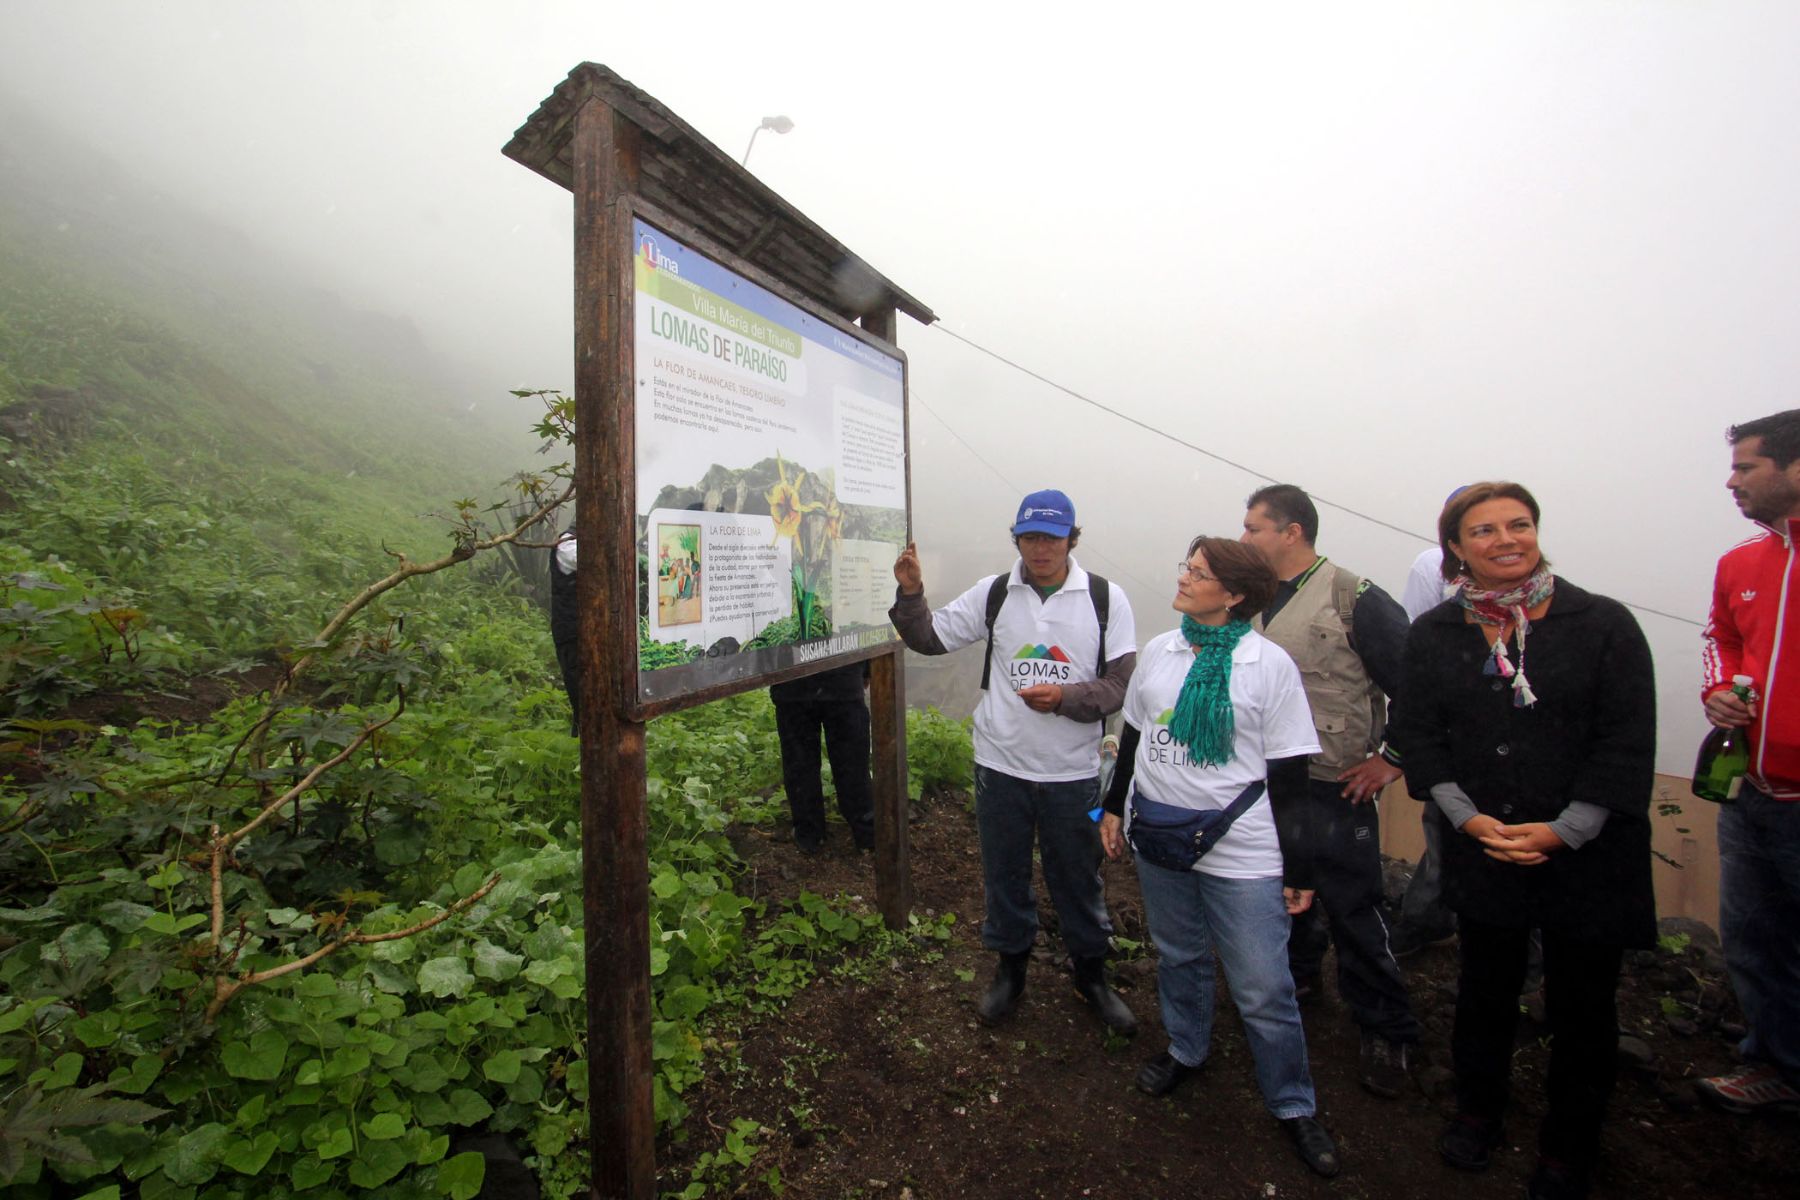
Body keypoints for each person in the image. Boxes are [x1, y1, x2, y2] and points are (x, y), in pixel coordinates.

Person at [1389, 481, 1655, 1200]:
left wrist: (1567, 830)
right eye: (1485, 530)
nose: (1506, 540)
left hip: (1587, 853)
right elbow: (1418, 733)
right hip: (1484, 842)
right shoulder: (1437, 633)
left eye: (1520, 524)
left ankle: (1569, 1150)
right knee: (1485, 987)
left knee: (1582, 1007)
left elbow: (1625, 740)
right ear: (1455, 548)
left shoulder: (1602, 624)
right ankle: (1478, 1111)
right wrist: (1466, 818)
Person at [1098, 536, 1340, 1178]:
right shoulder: (1159, 651)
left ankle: (1293, 1104)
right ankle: (1186, 1047)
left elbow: (1290, 774)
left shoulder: (1268, 666)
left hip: (1244, 850)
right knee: (1178, 955)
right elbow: (1133, 738)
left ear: (1234, 595)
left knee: (1263, 985)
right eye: (1186, 566)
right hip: (1162, 838)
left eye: (1198, 573)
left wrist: (1300, 868)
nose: (1182, 578)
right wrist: (1114, 807)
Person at [889, 488, 1139, 1034]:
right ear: (1017, 538)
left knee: (1077, 877)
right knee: (1003, 874)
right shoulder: (996, 593)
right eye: (1029, 537)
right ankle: (1010, 970)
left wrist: (1067, 700)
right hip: (1000, 766)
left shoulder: (1103, 598)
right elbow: (929, 638)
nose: (1040, 549)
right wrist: (912, 593)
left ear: (1072, 539)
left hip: (1072, 773)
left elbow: (1121, 682)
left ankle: (1091, 975)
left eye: (1051, 538)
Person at [1238, 484, 1420, 1097]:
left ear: (1292, 533)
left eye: (1254, 528)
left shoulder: (1354, 598)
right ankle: (1295, 983)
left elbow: (1419, 685)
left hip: (1331, 782)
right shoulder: (1251, 599)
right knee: (1276, 891)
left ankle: (1387, 1030)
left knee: (1352, 905)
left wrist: (1389, 759)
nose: (1244, 540)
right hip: (1263, 780)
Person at [1695, 410, 1800, 1115]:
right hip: (1750, 789)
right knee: (1752, 933)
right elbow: (1720, 640)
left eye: (1746, 467)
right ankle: (1776, 1062)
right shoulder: (1743, 562)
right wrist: (1717, 689)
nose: (1731, 481)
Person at [770, 663, 877, 854]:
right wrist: (865, 669)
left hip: (797, 685)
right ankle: (864, 834)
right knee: (850, 764)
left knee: (803, 765)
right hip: (832, 682)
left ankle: (811, 835)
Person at [548, 527, 581, 733]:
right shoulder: (568, 544)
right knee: (580, 686)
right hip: (572, 629)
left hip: (586, 627)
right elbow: (594, 559)